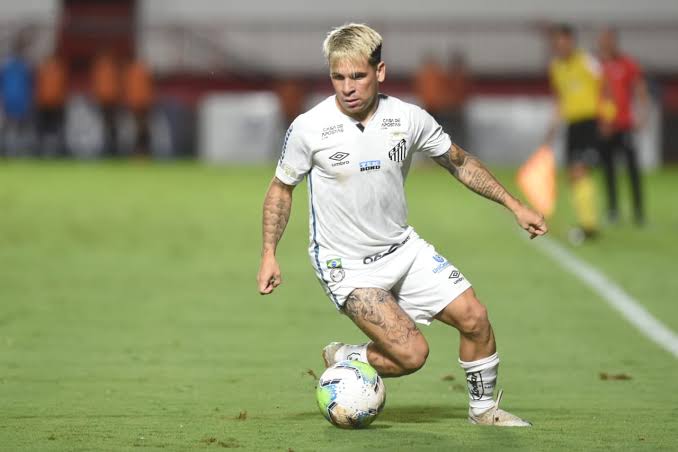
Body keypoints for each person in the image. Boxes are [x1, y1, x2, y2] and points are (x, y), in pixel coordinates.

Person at [257, 23, 547, 427]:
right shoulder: (310, 127)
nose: (347, 88)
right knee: (412, 356)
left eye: (357, 76)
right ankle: (349, 359)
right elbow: (281, 189)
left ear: (380, 71)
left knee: (475, 318)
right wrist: (269, 253)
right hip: (347, 266)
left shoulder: (408, 118)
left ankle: (483, 412)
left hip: (403, 249)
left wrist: (515, 205)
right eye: (338, 77)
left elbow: (460, 162)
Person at [544, 24, 602, 243]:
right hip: (572, 126)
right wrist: (552, 130)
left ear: (572, 41)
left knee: (580, 171)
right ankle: (587, 222)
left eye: (564, 42)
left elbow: (606, 86)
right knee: (573, 175)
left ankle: (589, 227)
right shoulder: (556, 68)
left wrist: (608, 115)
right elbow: (560, 100)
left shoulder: (587, 62)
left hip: (590, 123)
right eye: (557, 43)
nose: (561, 46)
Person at [597, 28, 649, 225]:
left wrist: (642, 114)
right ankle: (613, 210)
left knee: (632, 168)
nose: (605, 42)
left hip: (625, 125)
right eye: (603, 39)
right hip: (605, 126)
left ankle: (638, 211)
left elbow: (640, 88)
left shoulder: (627, 63)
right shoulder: (596, 65)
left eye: (608, 39)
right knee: (608, 169)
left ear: (615, 41)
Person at [0, 36, 34, 157]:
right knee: (12, 126)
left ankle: (17, 150)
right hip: (12, 100)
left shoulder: (24, 66)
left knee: (18, 127)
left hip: (18, 100)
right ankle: (9, 150)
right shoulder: (9, 66)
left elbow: (30, 84)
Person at [35, 53, 68, 157]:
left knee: (54, 128)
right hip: (45, 103)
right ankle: (43, 149)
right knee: (45, 129)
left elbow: (63, 86)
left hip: (55, 103)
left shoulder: (57, 70)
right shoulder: (44, 70)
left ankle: (57, 149)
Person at [122, 57, 154, 157]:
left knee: (140, 128)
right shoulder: (138, 70)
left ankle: (141, 152)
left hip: (141, 104)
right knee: (137, 129)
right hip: (137, 104)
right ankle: (139, 152)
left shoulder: (138, 70)